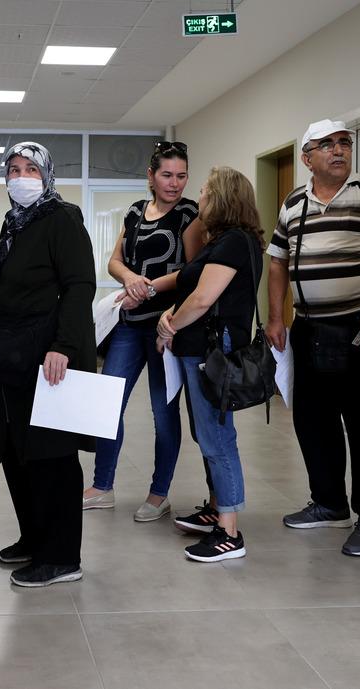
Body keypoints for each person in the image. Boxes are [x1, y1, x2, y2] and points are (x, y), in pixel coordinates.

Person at [266, 120, 360, 557]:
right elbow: (278, 262)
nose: (339, 150)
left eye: (344, 143)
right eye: (327, 145)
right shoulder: (293, 203)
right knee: (313, 420)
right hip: (309, 328)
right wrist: (275, 318)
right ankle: (328, 502)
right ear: (307, 157)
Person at [0, 142, 96, 588]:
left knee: (51, 456)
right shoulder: (14, 223)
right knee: (15, 452)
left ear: (47, 176)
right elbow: (0, 289)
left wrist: (64, 345)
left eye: (30, 169)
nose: (20, 177)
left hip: (48, 358)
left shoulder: (62, 218)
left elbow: (80, 285)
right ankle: (34, 537)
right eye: (14, 169)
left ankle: (61, 556)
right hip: (10, 357)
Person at [83, 141, 208, 522]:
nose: (175, 183)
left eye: (182, 175)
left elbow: (192, 272)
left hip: (165, 328)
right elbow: (113, 261)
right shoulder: (136, 212)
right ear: (151, 176)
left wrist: (150, 288)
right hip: (127, 324)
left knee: (163, 412)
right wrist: (133, 279)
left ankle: (159, 493)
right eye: (167, 175)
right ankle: (102, 486)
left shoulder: (191, 215)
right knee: (108, 407)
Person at [157, 166, 264, 563]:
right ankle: (218, 507)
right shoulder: (220, 241)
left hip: (210, 352)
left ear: (220, 198)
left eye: (203, 191)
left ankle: (229, 532)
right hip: (197, 349)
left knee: (218, 439)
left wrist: (168, 327)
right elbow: (194, 290)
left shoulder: (235, 242)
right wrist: (170, 315)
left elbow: (203, 300)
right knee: (206, 434)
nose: (197, 197)